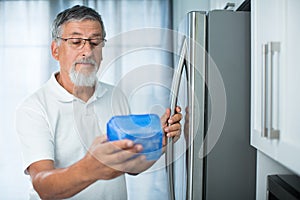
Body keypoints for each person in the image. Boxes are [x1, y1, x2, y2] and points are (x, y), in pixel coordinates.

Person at [15, 5, 182, 200]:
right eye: (76, 42)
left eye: (95, 42)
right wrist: (91, 168)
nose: (87, 50)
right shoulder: (34, 108)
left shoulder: (115, 96)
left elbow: (129, 166)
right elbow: (44, 187)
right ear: (55, 50)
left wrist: (158, 144)